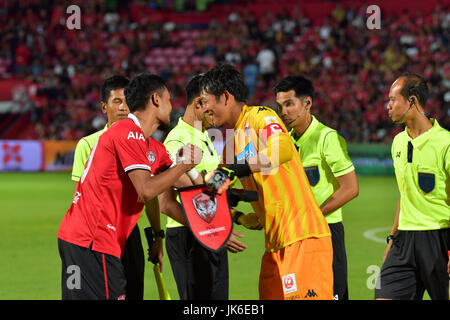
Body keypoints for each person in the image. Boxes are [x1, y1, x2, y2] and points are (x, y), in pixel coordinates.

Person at [57, 72, 202, 300]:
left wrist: (218, 221)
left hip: (94, 242)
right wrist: (184, 165)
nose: (172, 106)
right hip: (92, 242)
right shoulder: (127, 132)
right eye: (169, 100)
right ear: (156, 99)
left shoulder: (152, 147)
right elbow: (146, 191)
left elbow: (186, 185)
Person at [200, 63, 333, 300]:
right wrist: (237, 215)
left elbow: (283, 150)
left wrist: (235, 170)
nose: (204, 108)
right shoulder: (230, 143)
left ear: (226, 97)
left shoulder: (261, 116)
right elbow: (231, 189)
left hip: (303, 237)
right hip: (275, 245)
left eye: (206, 101)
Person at [161, 74, 255, 299]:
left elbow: (208, 195)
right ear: (199, 103)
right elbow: (166, 205)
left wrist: (238, 216)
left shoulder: (204, 137)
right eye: (212, 104)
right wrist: (212, 232)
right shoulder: (178, 141)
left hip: (209, 232)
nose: (217, 110)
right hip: (190, 236)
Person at [71, 75, 158, 300]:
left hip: (130, 233)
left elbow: (150, 194)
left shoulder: (142, 142)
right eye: (117, 101)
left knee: (135, 292)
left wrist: (158, 236)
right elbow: (78, 197)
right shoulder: (89, 144)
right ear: (103, 107)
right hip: (98, 236)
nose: (123, 107)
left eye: (127, 101)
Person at [274, 75, 359, 300]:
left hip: (325, 231)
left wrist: (314, 215)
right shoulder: (286, 142)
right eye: (280, 106)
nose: (283, 112)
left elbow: (350, 188)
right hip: (295, 234)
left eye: (289, 104)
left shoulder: (327, 137)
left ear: (307, 103)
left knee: (332, 295)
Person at [375, 73, 450, 300]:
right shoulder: (398, 142)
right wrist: (392, 237)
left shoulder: (445, 143)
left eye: (392, 99)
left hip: (438, 239)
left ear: (412, 101)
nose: (387, 106)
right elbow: (405, 193)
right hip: (404, 240)